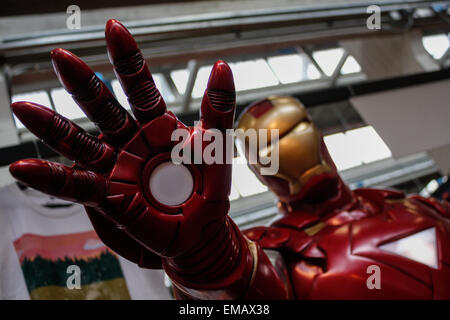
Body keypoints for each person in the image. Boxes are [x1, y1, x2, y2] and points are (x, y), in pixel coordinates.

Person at [9, 19, 450, 299]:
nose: (289, 149)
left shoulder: (404, 202)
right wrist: (207, 260)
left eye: (295, 131)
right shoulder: (265, 247)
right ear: (257, 172)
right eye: (269, 147)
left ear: (321, 139)